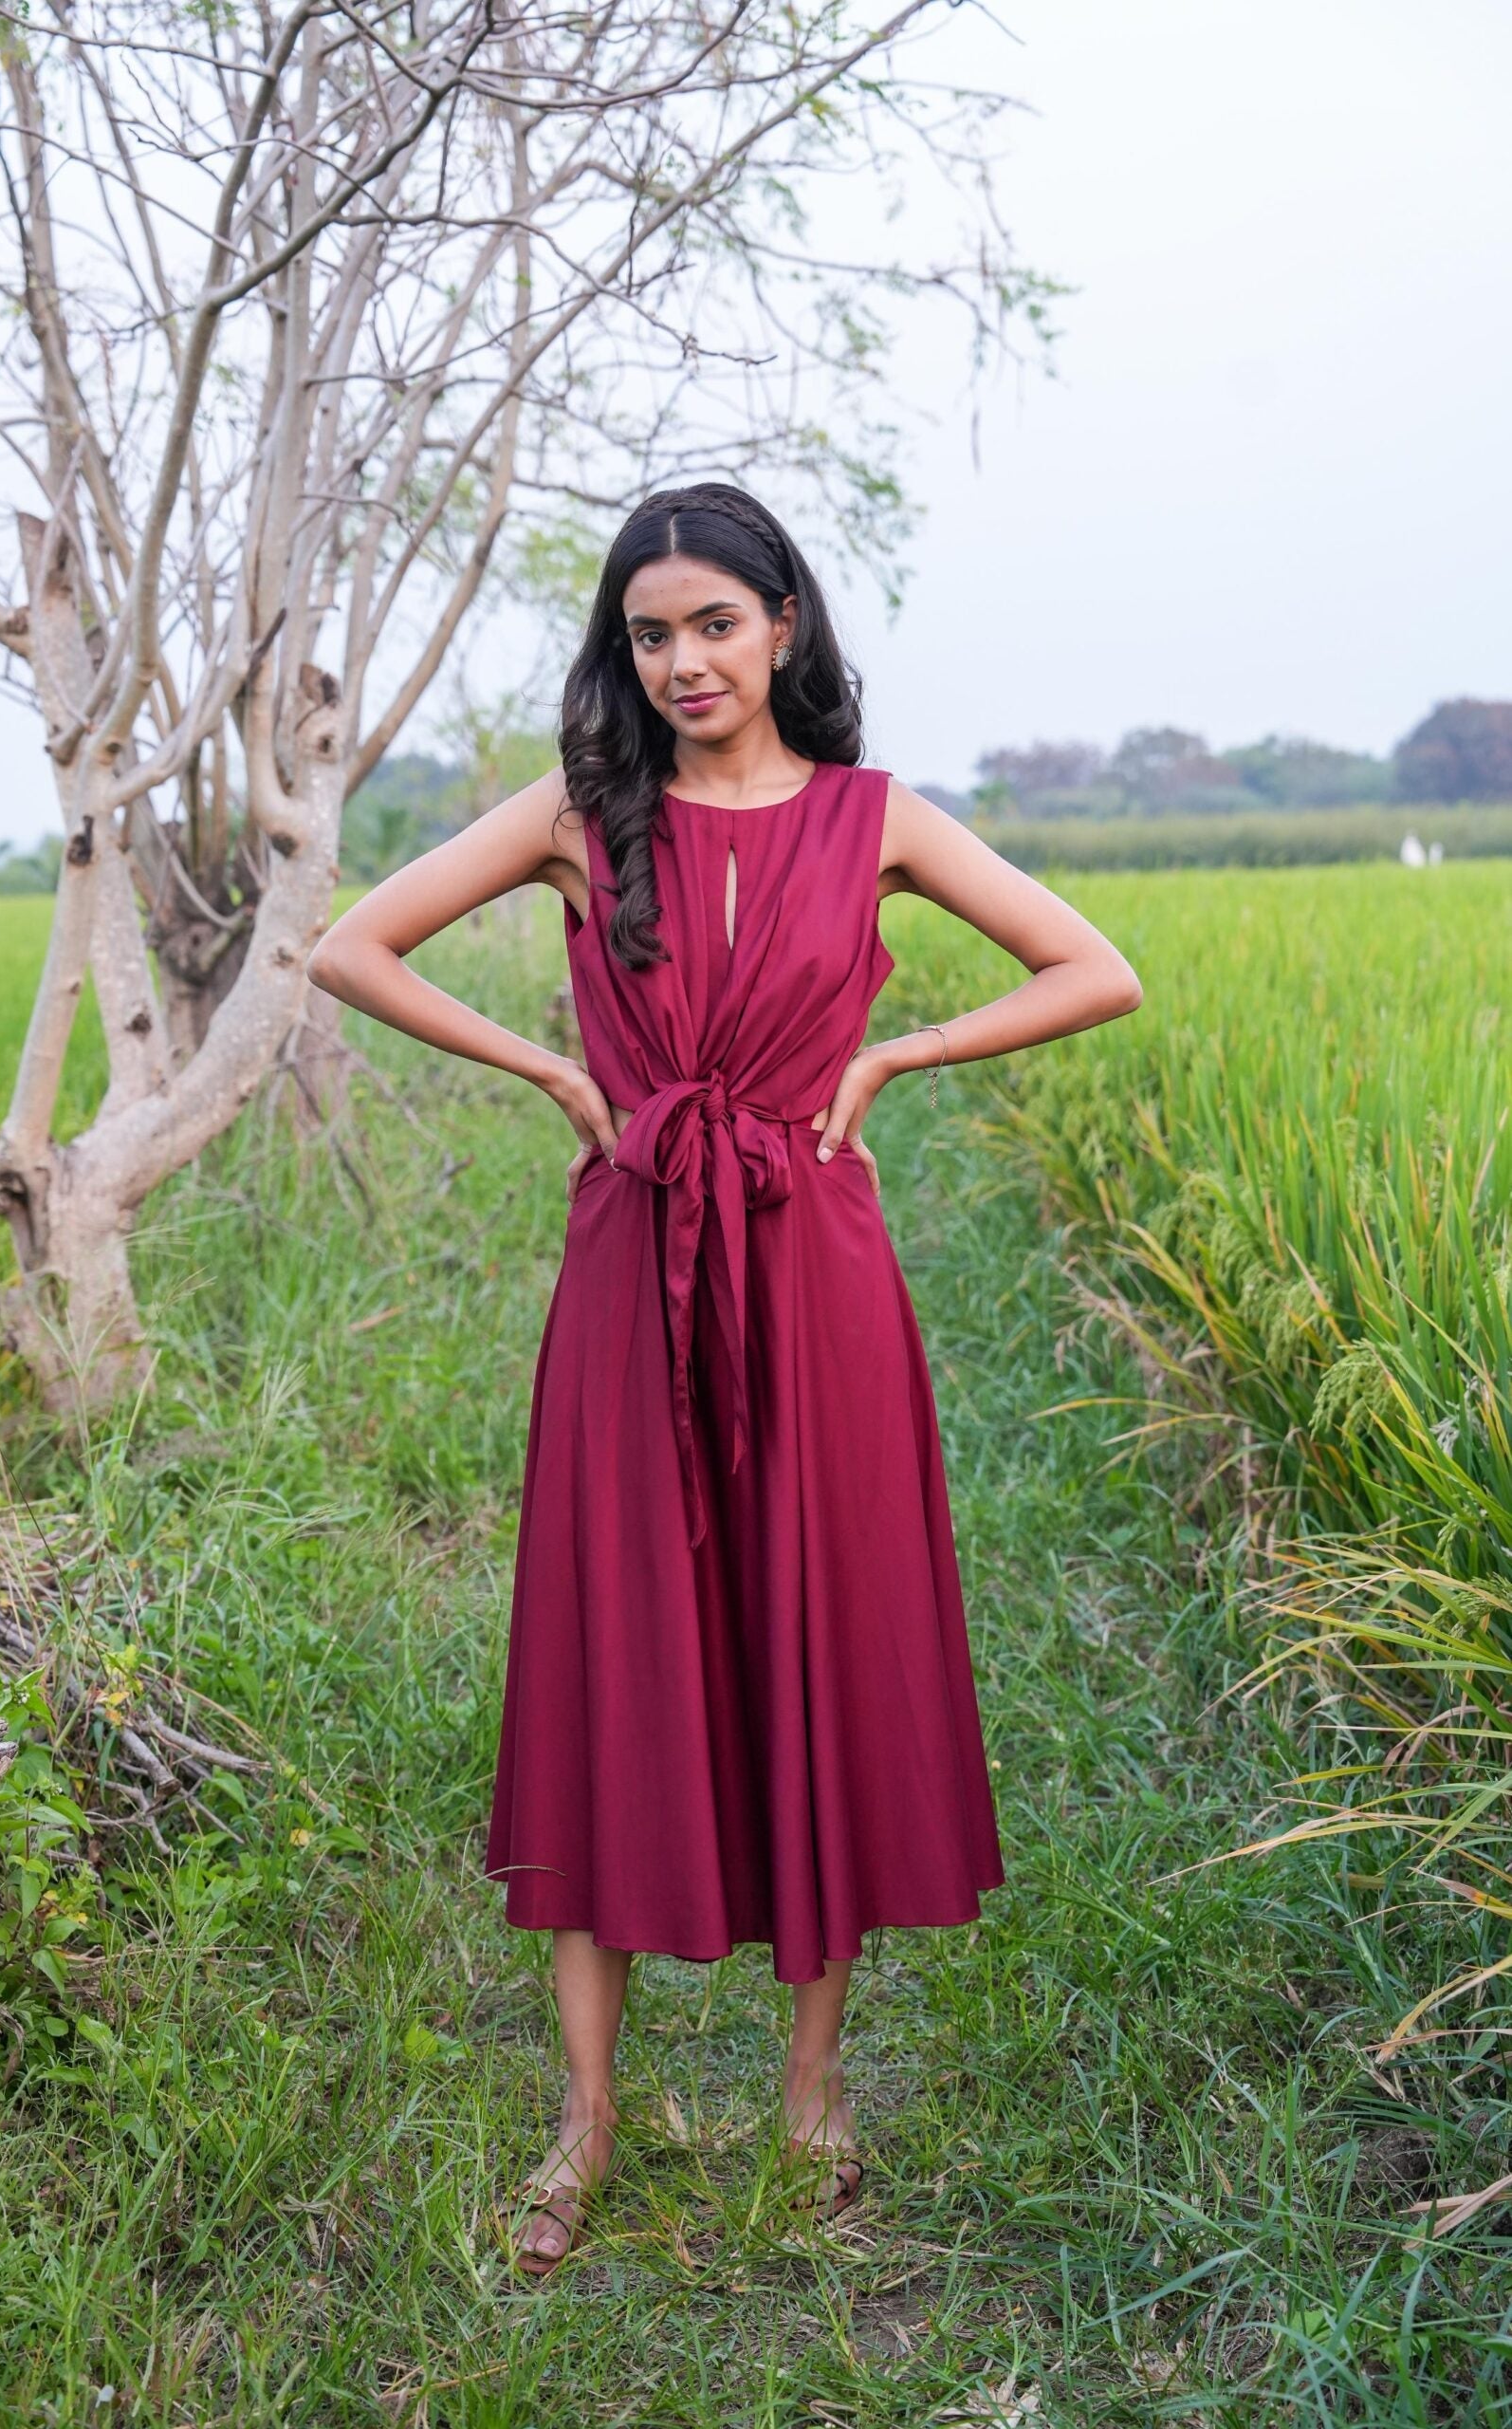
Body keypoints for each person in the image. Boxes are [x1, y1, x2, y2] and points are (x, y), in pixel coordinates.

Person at [307, 481, 1142, 2277]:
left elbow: (1099, 971)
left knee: (816, 1637)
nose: (681, 661)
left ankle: (815, 2099)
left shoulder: (879, 817)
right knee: (618, 1640)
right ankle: (587, 2119)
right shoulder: (579, 815)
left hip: (818, 1266)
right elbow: (348, 946)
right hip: (634, 1261)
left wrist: (906, 1047)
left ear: (785, 628)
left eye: (712, 624)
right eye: (647, 634)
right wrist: (548, 1078)